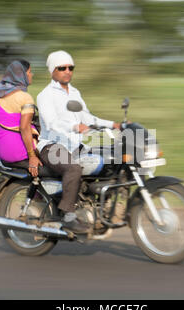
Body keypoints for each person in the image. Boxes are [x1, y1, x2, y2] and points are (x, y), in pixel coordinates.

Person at [37, 50, 121, 233]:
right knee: (73, 168)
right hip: (52, 146)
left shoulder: (74, 92)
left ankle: (96, 205)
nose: (67, 71)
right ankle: (68, 216)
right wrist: (76, 126)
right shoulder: (45, 95)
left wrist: (114, 124)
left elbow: (87, 117)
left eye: (70, 67)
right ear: (52, 71)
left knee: (110, 157)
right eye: (62, 68)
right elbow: (52, 123)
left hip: (75, 145)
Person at [0, 60, 42, 177]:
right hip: (12, 150)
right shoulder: (24, 97)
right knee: (54, 160)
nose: (32, 75)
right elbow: (24, 127)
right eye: (30, 72)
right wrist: (32, 156)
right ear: (22, 75)